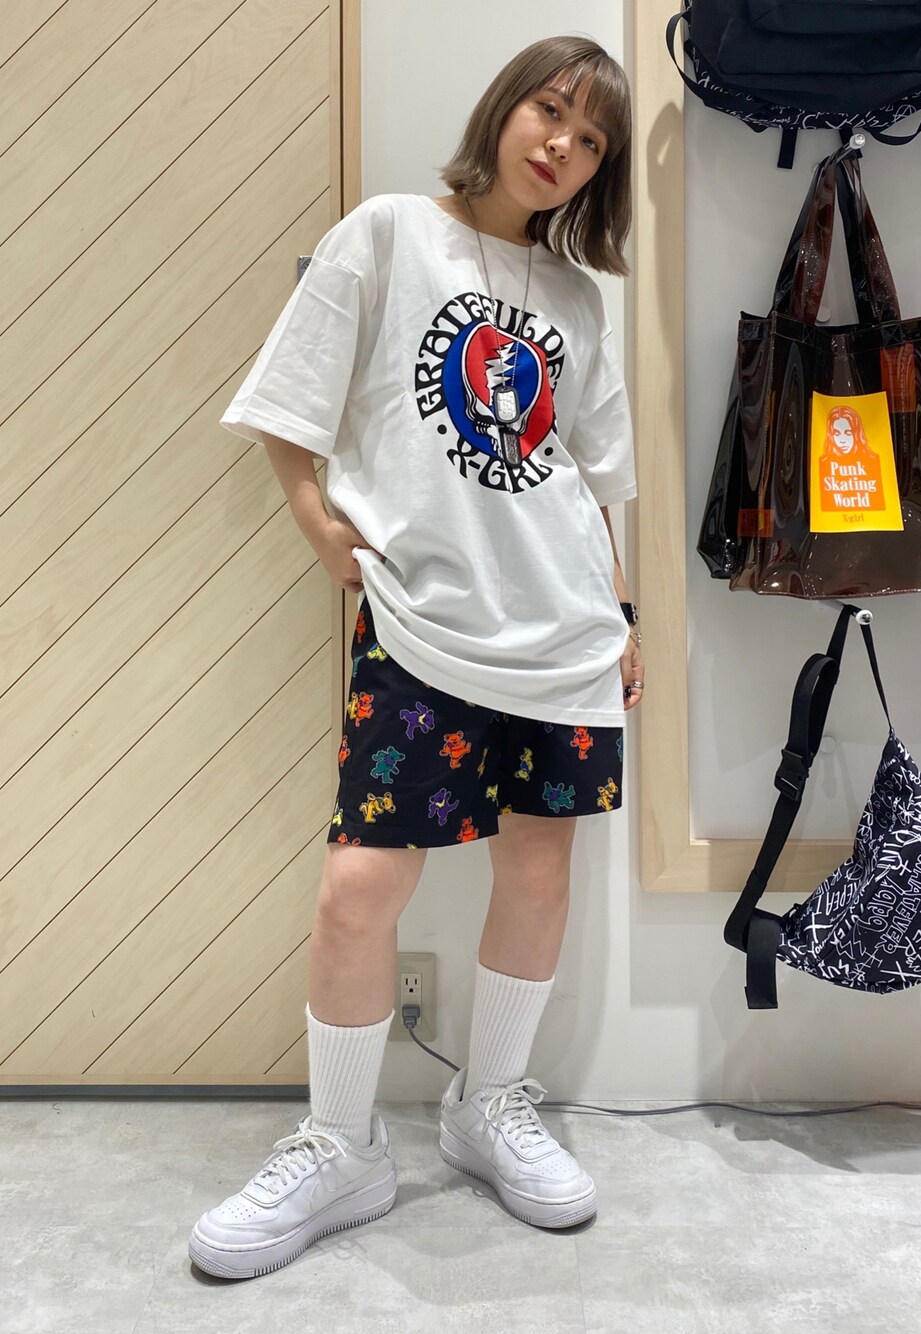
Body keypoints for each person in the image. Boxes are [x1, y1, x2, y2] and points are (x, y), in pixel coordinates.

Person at [188, 34, 642, 1280]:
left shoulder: (578, 300)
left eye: (591, 139)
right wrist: (315, 519)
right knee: (358, 886)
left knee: (537, 869)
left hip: (563, 630)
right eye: (550, 112)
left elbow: (591, 474)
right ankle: (341, 1144)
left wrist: (621, 613)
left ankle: (488, 1105)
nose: (562, 146)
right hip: (422, 625)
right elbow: (292, 398)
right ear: (504, 109)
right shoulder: (386, 234)